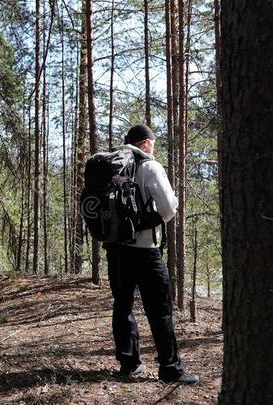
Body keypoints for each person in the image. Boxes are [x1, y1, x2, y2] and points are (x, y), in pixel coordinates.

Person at [105, 124, 199, 384]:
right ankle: (170, 369)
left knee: (122, 305)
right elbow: (168, 207)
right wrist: (154, 219)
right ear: (145, 143)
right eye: (153, 144)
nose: (153, 148)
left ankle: (129, 364)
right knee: (160, 310)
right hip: (146, 251)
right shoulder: (149, 167)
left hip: (116, 250)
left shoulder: (110, 167)